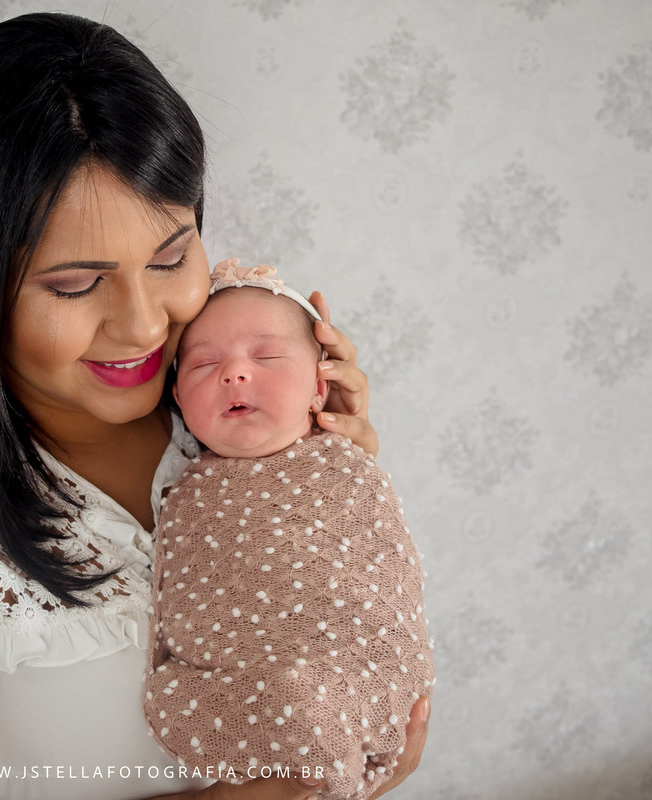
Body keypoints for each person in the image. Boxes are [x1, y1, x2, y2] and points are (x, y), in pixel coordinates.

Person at [0, 12, 427, 800]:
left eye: (171, 257)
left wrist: (334, 471)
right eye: (74, 284)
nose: (144, 324)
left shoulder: (228, 411)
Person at [144, 261, 434, 799]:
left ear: (320, 388)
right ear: (179, 399)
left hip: (347, 675)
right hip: (243, 682)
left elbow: (382, 576)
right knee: (278, 693)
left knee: (312, 693)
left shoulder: (347, 469)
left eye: (269, 356)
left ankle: (327, 739)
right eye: (204, 363)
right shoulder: (180, 490)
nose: (234, 373)